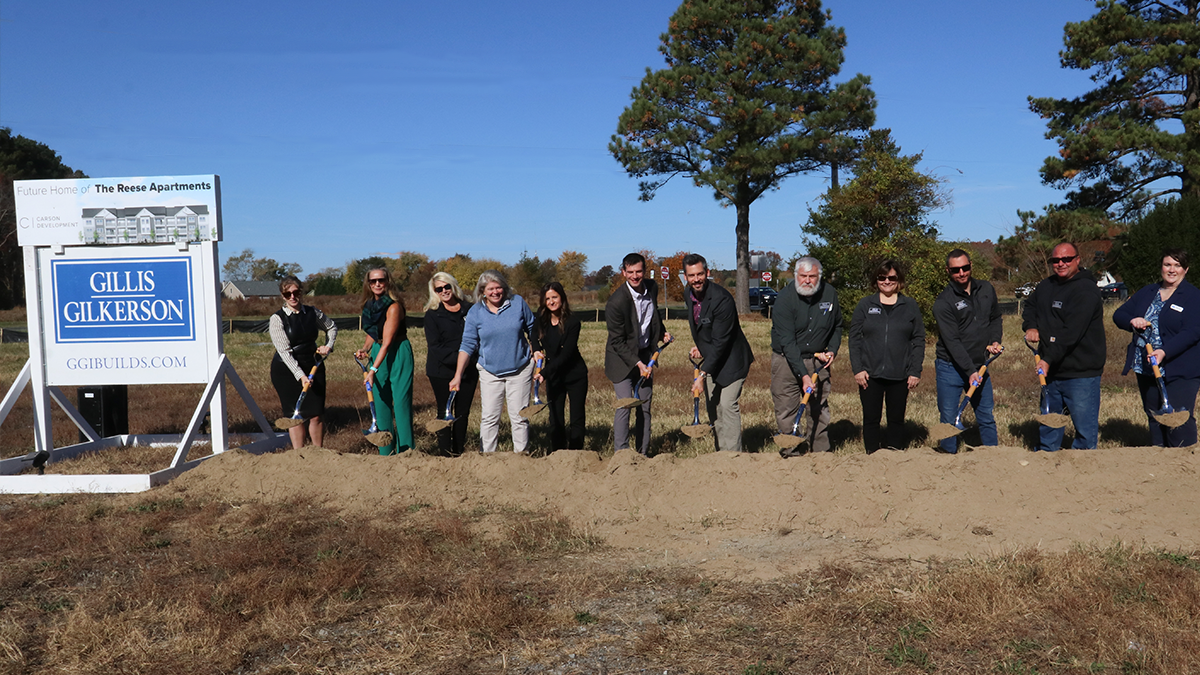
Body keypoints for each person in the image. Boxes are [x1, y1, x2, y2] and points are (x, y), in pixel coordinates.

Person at [1022, 242, 1106, 451]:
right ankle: (1047, 458)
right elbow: (1030, 306)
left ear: (1077, 260)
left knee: (1085, 429)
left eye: (1066, 259)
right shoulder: (1046, 285)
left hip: (1080, 372)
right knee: (1050, 421)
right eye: (1056, 260)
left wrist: (1047, 359)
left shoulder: (1086, 290)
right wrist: (1031, 326)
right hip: (1052, 372)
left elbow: (1071, 333)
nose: (1061, 263)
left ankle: (1083, 467)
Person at [1113, 248, 1200, 447]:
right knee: (1154, 416)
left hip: (1180, 368)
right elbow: (1119, 315)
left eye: (1177, 265)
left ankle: (1183, 463)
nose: (1172, 270)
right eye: (1167, 264)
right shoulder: (1148, 292)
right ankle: (1158, 462)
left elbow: (1193, 331)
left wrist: (1164, 351)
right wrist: (1132, 321)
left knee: (1178, 417)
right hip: (1147, 366)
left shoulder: (1193, 296)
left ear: (1185, 269)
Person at [450, 270, 536, 454]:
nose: (495, 292)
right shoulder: (475, 312)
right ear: (482, 291)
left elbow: (532, 327)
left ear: (504, 288)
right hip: (490, 372)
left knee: (519, 417)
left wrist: (536, 349)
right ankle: (488, 458)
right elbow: (467, 344)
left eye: (499, 287)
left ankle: (522, 458)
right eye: (490, 289)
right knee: (489, 417)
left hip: (519, 370)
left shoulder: (518, 303)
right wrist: (458, 375)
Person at [849, 260, 925, 454]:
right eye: (882, 277)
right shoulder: (866, 304)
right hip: (869, 374)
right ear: (877, 280)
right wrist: (858, 369)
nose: (887, 281)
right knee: (871, 419)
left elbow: (918, 339)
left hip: (900, 374)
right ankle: (872, 456)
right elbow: (854, 339)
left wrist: (915, 370)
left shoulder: (909, 305)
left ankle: (895, 456)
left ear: (899, 280)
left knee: (896, 419)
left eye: (892, 277)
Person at [932, 248, 1004, 453]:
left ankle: (993, 455)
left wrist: (995, 340)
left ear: (971, 266)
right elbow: (952, 341)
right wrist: (970, 370)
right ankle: (948, 455)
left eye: (965, 268)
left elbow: (995, 318)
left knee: (986, 415)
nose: (961, 273)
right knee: (948, 418)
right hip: (950, 367)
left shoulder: (986, 289)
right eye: (956, 270)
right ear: (948, 271)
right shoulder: (943, 302)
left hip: (980, 364)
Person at [770, 256, 841, 456]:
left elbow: (837, 325)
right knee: (786, 409)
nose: (807, 281)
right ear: (795, 276)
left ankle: (820, 453)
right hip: (786, 359)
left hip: (818, 360)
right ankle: (792, 452)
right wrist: (803, 375)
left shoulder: (830, 294)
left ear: (819, 276)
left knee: (819, 409)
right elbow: (788, 341)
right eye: (803, 276)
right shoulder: (784, 299)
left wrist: (832, 349)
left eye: (812, 276)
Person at [683, 253, 754, 452]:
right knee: (713, 407)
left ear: (708, 273)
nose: (696, 279)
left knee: (727, 405)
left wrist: (702, 374)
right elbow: (704, 328)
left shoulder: (722, 300)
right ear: (685, 277)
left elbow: (722, 342)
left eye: (699, 274)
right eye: (691, 275)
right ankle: (720, 454)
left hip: (733, 360)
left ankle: (733, 457)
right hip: (713, 357)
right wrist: (701, 346)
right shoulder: (688, 295)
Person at [605, 253, 671, 455]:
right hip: (621, 360)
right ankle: (622, 455)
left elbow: (652, 315)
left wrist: (662, 332)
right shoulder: (616, 302)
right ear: (623, 272)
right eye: (630, 272)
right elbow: (617, 341)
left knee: (644, 406)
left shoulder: (652, 287)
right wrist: (637, 364)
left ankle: (643, 454)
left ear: (645, 270)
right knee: (625, 404)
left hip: (644, 355)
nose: (635, 276)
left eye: (639, 271)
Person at [269, 275, 337, 449]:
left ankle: (317, 453)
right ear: (282, 295)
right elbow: (284, 352)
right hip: (286, 371)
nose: (292, 296)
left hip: (314, 365)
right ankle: (299, 457)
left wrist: (328, 346)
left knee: (316, 414)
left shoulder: (313, 312)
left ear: (301, 292)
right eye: (287, 293)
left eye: (296, 292)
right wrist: (301, 376)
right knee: (295, 416)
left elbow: (331, 327)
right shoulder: (277, 319)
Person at [355, 267, 414, 455]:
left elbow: (387, 341)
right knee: (381, 404)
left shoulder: (394, 306)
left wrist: (372, 370)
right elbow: (374, 334)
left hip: (398, 351)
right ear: (368, 284)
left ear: (388, 281)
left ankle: (406, 452)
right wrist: (365, 349)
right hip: (379, 350)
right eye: (373, 281)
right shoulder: (370, 305)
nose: (377, 284)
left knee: (401, 404)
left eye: (381, 280)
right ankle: (386, 453)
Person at [423, 272, 476, 456]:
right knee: (444, 411)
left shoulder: (471, 309)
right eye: (439, 289)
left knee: (462, 412)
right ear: (435, 292)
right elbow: (435, 346)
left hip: (469, 369)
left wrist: (466, 363)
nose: (444, 291)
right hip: (441, 370)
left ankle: (458, 451)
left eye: (447, 286)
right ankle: (445, 454)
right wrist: (460, 359)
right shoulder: (432, 315)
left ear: (453, 286)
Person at [532, 281, 588, 451]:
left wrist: (544, 373)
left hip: (574, 375)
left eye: (554, 297)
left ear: (562, 298)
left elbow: (566, 355)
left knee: (576, 417)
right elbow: (534, 336)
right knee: (555, 417)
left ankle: (576, 453)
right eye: (547, 298)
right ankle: (557, 454)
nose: (551, 301)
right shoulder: (541, 320)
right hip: (554, 376)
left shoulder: (573, 323)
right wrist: (535, 350)